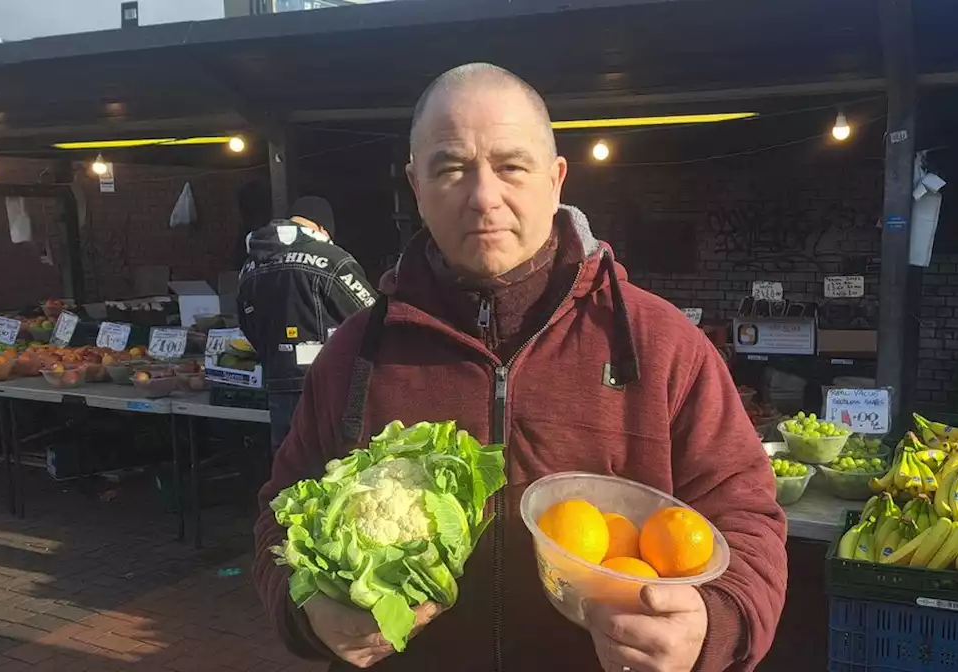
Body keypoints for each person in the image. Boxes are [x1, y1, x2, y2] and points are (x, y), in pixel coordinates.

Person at [253, 64, 788, 672]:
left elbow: (747, 519)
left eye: (511, 166)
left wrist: (711, 626)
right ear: (416, 185)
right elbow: (280, 514)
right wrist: (308, 614)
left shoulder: (663, 344)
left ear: (556, 180)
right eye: (451, 168)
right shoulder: (354, 354)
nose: (483, 197)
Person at [237, 196, 377, 453]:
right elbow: (373, 319)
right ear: (322, 228)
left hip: (278, 385)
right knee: (336, 474)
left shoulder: (250, 265)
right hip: (331, 387)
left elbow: (246, 324)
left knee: (291, 474)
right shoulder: (330, 258)